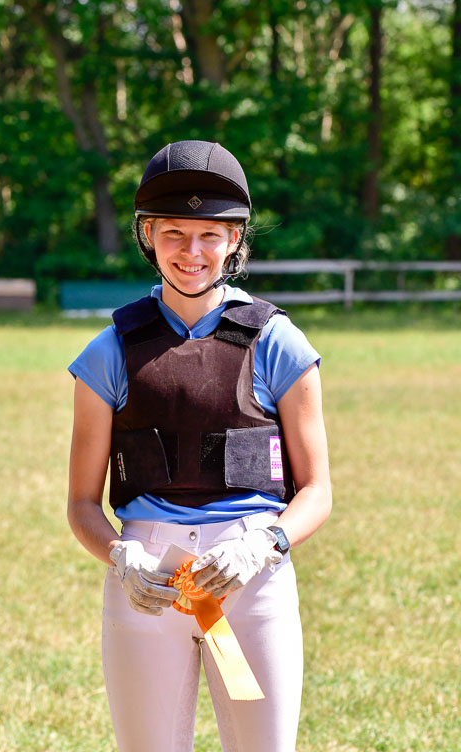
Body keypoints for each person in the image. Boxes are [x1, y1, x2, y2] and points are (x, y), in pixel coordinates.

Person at [67, 140, 332, 752]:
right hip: (147, 586)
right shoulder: (109, 352)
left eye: (212, 234)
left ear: (236, 240)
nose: (193, 252)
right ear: (147, 235)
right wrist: (121, 556)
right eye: (174, 233)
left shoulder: (279, 343)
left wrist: (267, 543)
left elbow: (316, 490)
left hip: (250, 574)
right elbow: (83, 504)